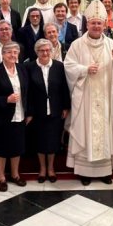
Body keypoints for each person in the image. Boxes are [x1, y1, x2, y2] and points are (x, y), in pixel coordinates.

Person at [64, 0, 113, 185]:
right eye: (93, 23)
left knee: (104, 130)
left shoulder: (111, 44)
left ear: (105, 24)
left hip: (105, 95)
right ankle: (85, 172)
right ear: (87, 23)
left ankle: (104, 171)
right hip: (86, 96)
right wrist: (84, 69)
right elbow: (69, 66)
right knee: (86, 130)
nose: (96, 26)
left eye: (99, 23)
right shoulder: (77, 45)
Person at [0, 42, 29, 192]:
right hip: (2, 117)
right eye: (9, 52)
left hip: (19, 115)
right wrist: (5, 100)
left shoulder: (22, 70)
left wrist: (28, 112)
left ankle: (15, 174)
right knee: (1, 148)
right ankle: (1, 176)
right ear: (3, 54)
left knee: (17, 147)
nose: (12, 55)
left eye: (15, 52)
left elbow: (28, 92)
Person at [27, 39, 71, 183]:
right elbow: (27, 92)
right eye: (41, 50)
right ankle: (42, 169)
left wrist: (65, 107)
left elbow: (65, 88)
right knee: (39, 141)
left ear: (52, 51)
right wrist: (29, 112)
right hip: (37, 111)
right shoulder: (29, 67)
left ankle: (51, 168)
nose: (45, 53)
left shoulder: (59, 66)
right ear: (36, 52)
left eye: (47, 50)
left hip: (55, 109)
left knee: (53, 141)